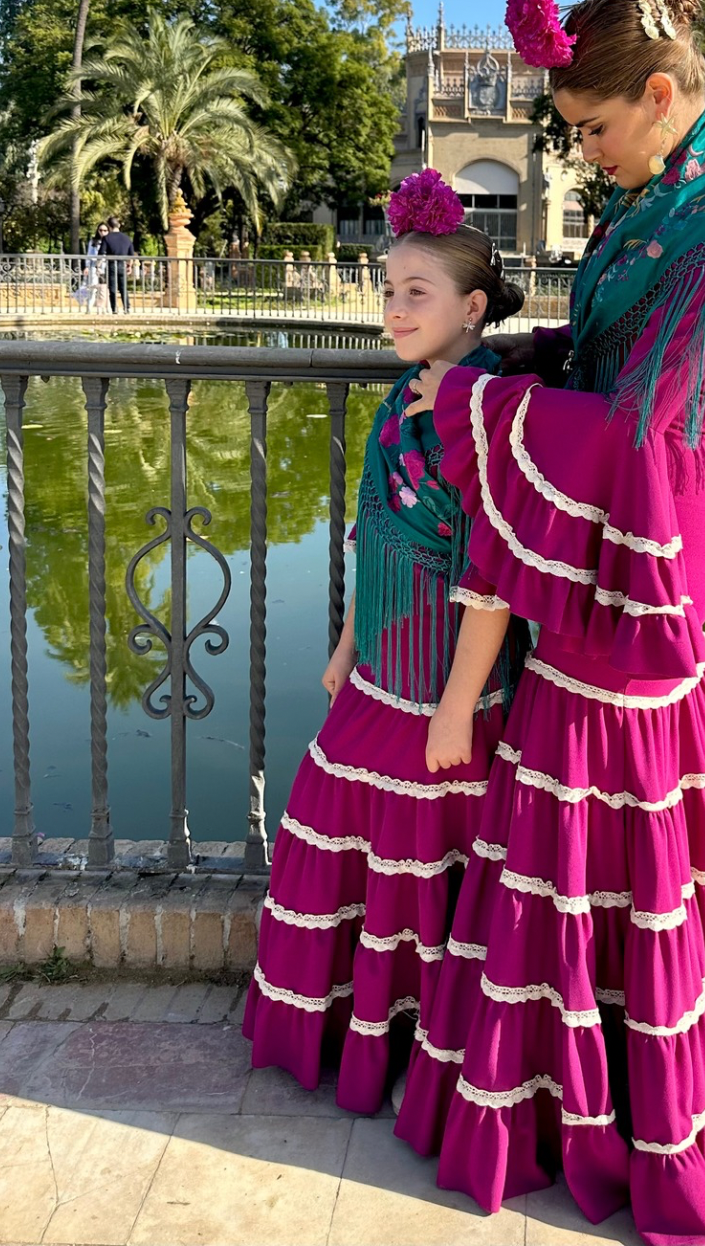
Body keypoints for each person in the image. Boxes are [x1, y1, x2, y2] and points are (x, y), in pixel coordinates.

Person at [394, 0, 705, 1246]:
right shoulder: (660, 196)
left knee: (624, 812)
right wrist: (520, 362)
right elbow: (608, 368)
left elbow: (653, 433)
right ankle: (559, 1099)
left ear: (658, 95)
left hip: (640, 551)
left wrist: (474, 405)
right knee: (585, 820)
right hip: (605, 529)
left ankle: (642, 1113)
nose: (578, 150)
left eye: (589, 126)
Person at [243, 170, 531, 1114]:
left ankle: (416, 1042)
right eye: (388, 291)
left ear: (472, 306)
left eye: (419, 293)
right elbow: (373, 527)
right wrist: (343, 644)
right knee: (335, 823)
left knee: (425, 850)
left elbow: (495, 571)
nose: (396, 309)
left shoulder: (487, 409)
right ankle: (351, 1029)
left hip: (451, 686)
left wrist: (456, 706)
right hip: (382, 665)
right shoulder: (405, 394)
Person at [101, 216, 134, 313]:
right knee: (123, 287)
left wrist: (97, 265)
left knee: (112, 287)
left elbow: (102, 252)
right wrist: (129, 265)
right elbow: (131, 254)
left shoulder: (107, 238)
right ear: (118, 225)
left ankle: (114, 308)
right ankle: (127, 307)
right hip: (122, 264)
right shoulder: (126, 238)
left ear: (109, 227)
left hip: (111, 264)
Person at [81, 223, 110, 312]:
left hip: (105, 267)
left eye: (105, 230)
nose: (102, 232)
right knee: (92, 288)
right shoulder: (93, 241)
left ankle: (105, 309)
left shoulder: (109, 241)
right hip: (93, 266)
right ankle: (89, 309)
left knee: (104, 290)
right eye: (100, 230)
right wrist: (86, 266)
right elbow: (89, 254)